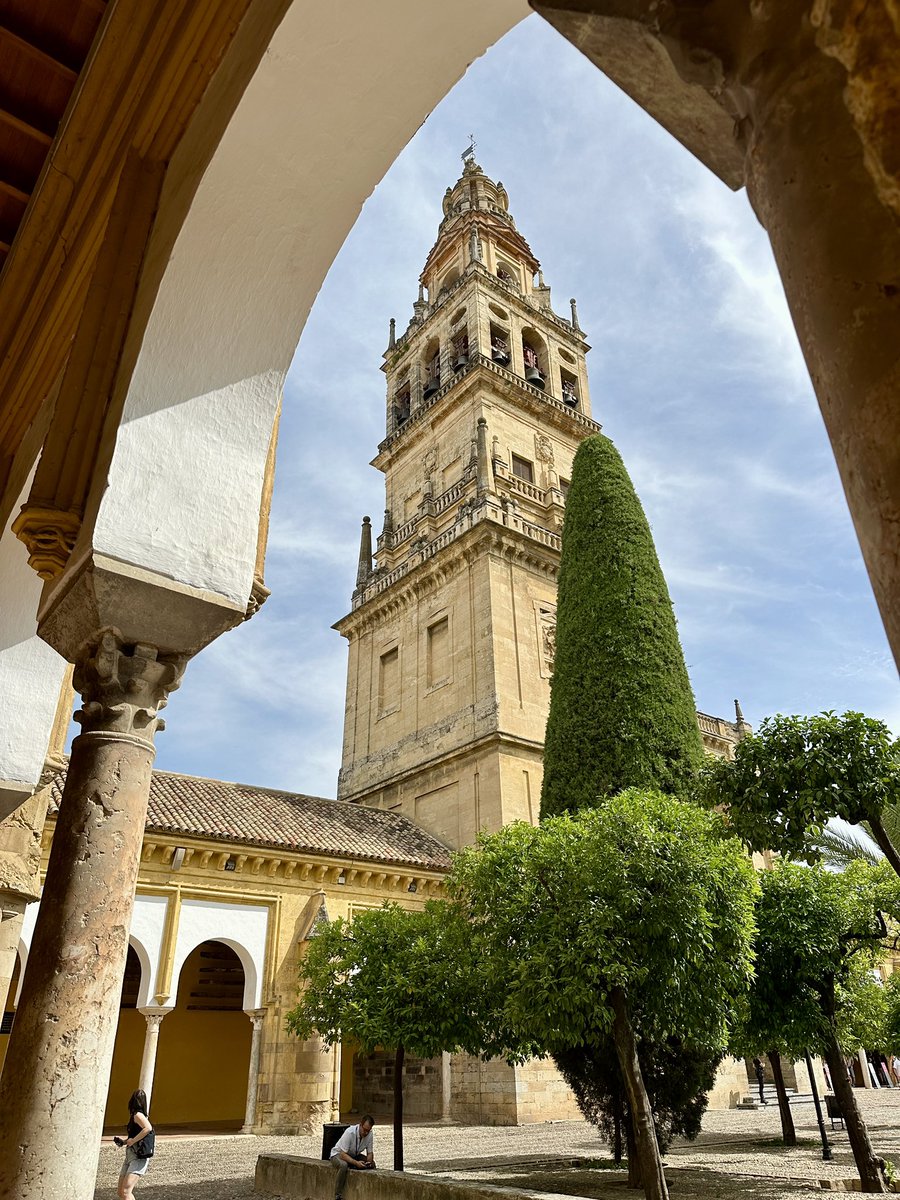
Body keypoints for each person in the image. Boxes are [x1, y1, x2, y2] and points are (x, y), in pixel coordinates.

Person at [113, 1088, 153, 1200]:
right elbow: (136, 1135)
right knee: (121, 1191)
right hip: (131, 1155)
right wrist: (124, 1142)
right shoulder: (137, 1116)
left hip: (137, 1156)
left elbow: (148, 1128)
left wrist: (133, 1140)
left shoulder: (137, 1115)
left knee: (126, 1191)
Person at [330, 1115, 375, 1198]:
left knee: (372, 1164)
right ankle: (338, 1195)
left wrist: (369, 1162)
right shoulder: (350, 1132)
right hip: (338, 1154)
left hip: (354, 1155)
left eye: (368, 1131)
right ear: (360, 1125)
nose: (366, 1133)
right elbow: (342, 1155)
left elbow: (370, 1153)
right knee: (343, 1165)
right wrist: (356, 1163)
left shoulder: (370, 1134)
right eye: (364, 1130)